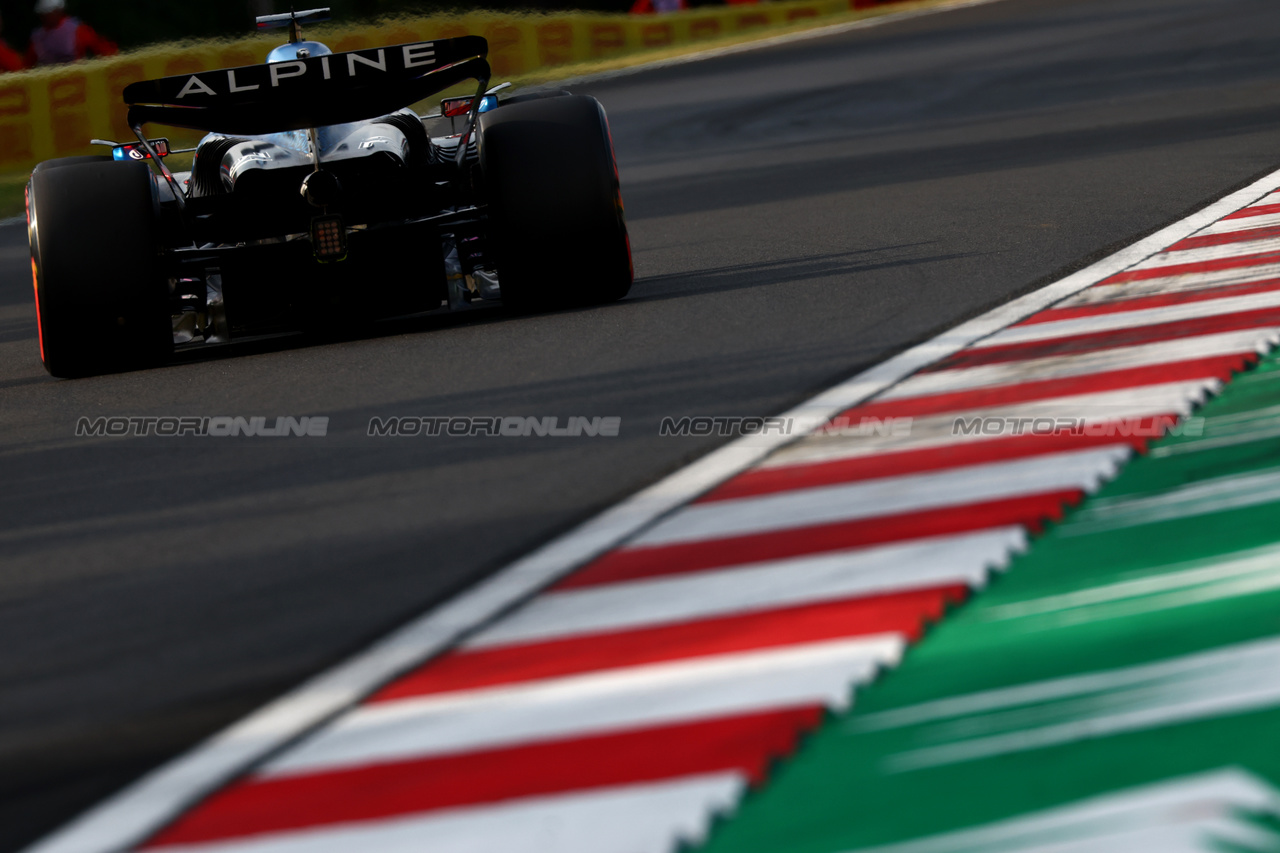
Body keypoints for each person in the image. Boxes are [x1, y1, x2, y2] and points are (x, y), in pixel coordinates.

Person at [26, 0, 117, 67]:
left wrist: (115, 63)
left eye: (46, 13)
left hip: (76, 78)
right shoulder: (38, 37)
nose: (43, 18)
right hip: (49, 82)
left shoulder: (77, 29)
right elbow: (28, 63)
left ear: (58, 11)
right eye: (42, 15)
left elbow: (101, 48)